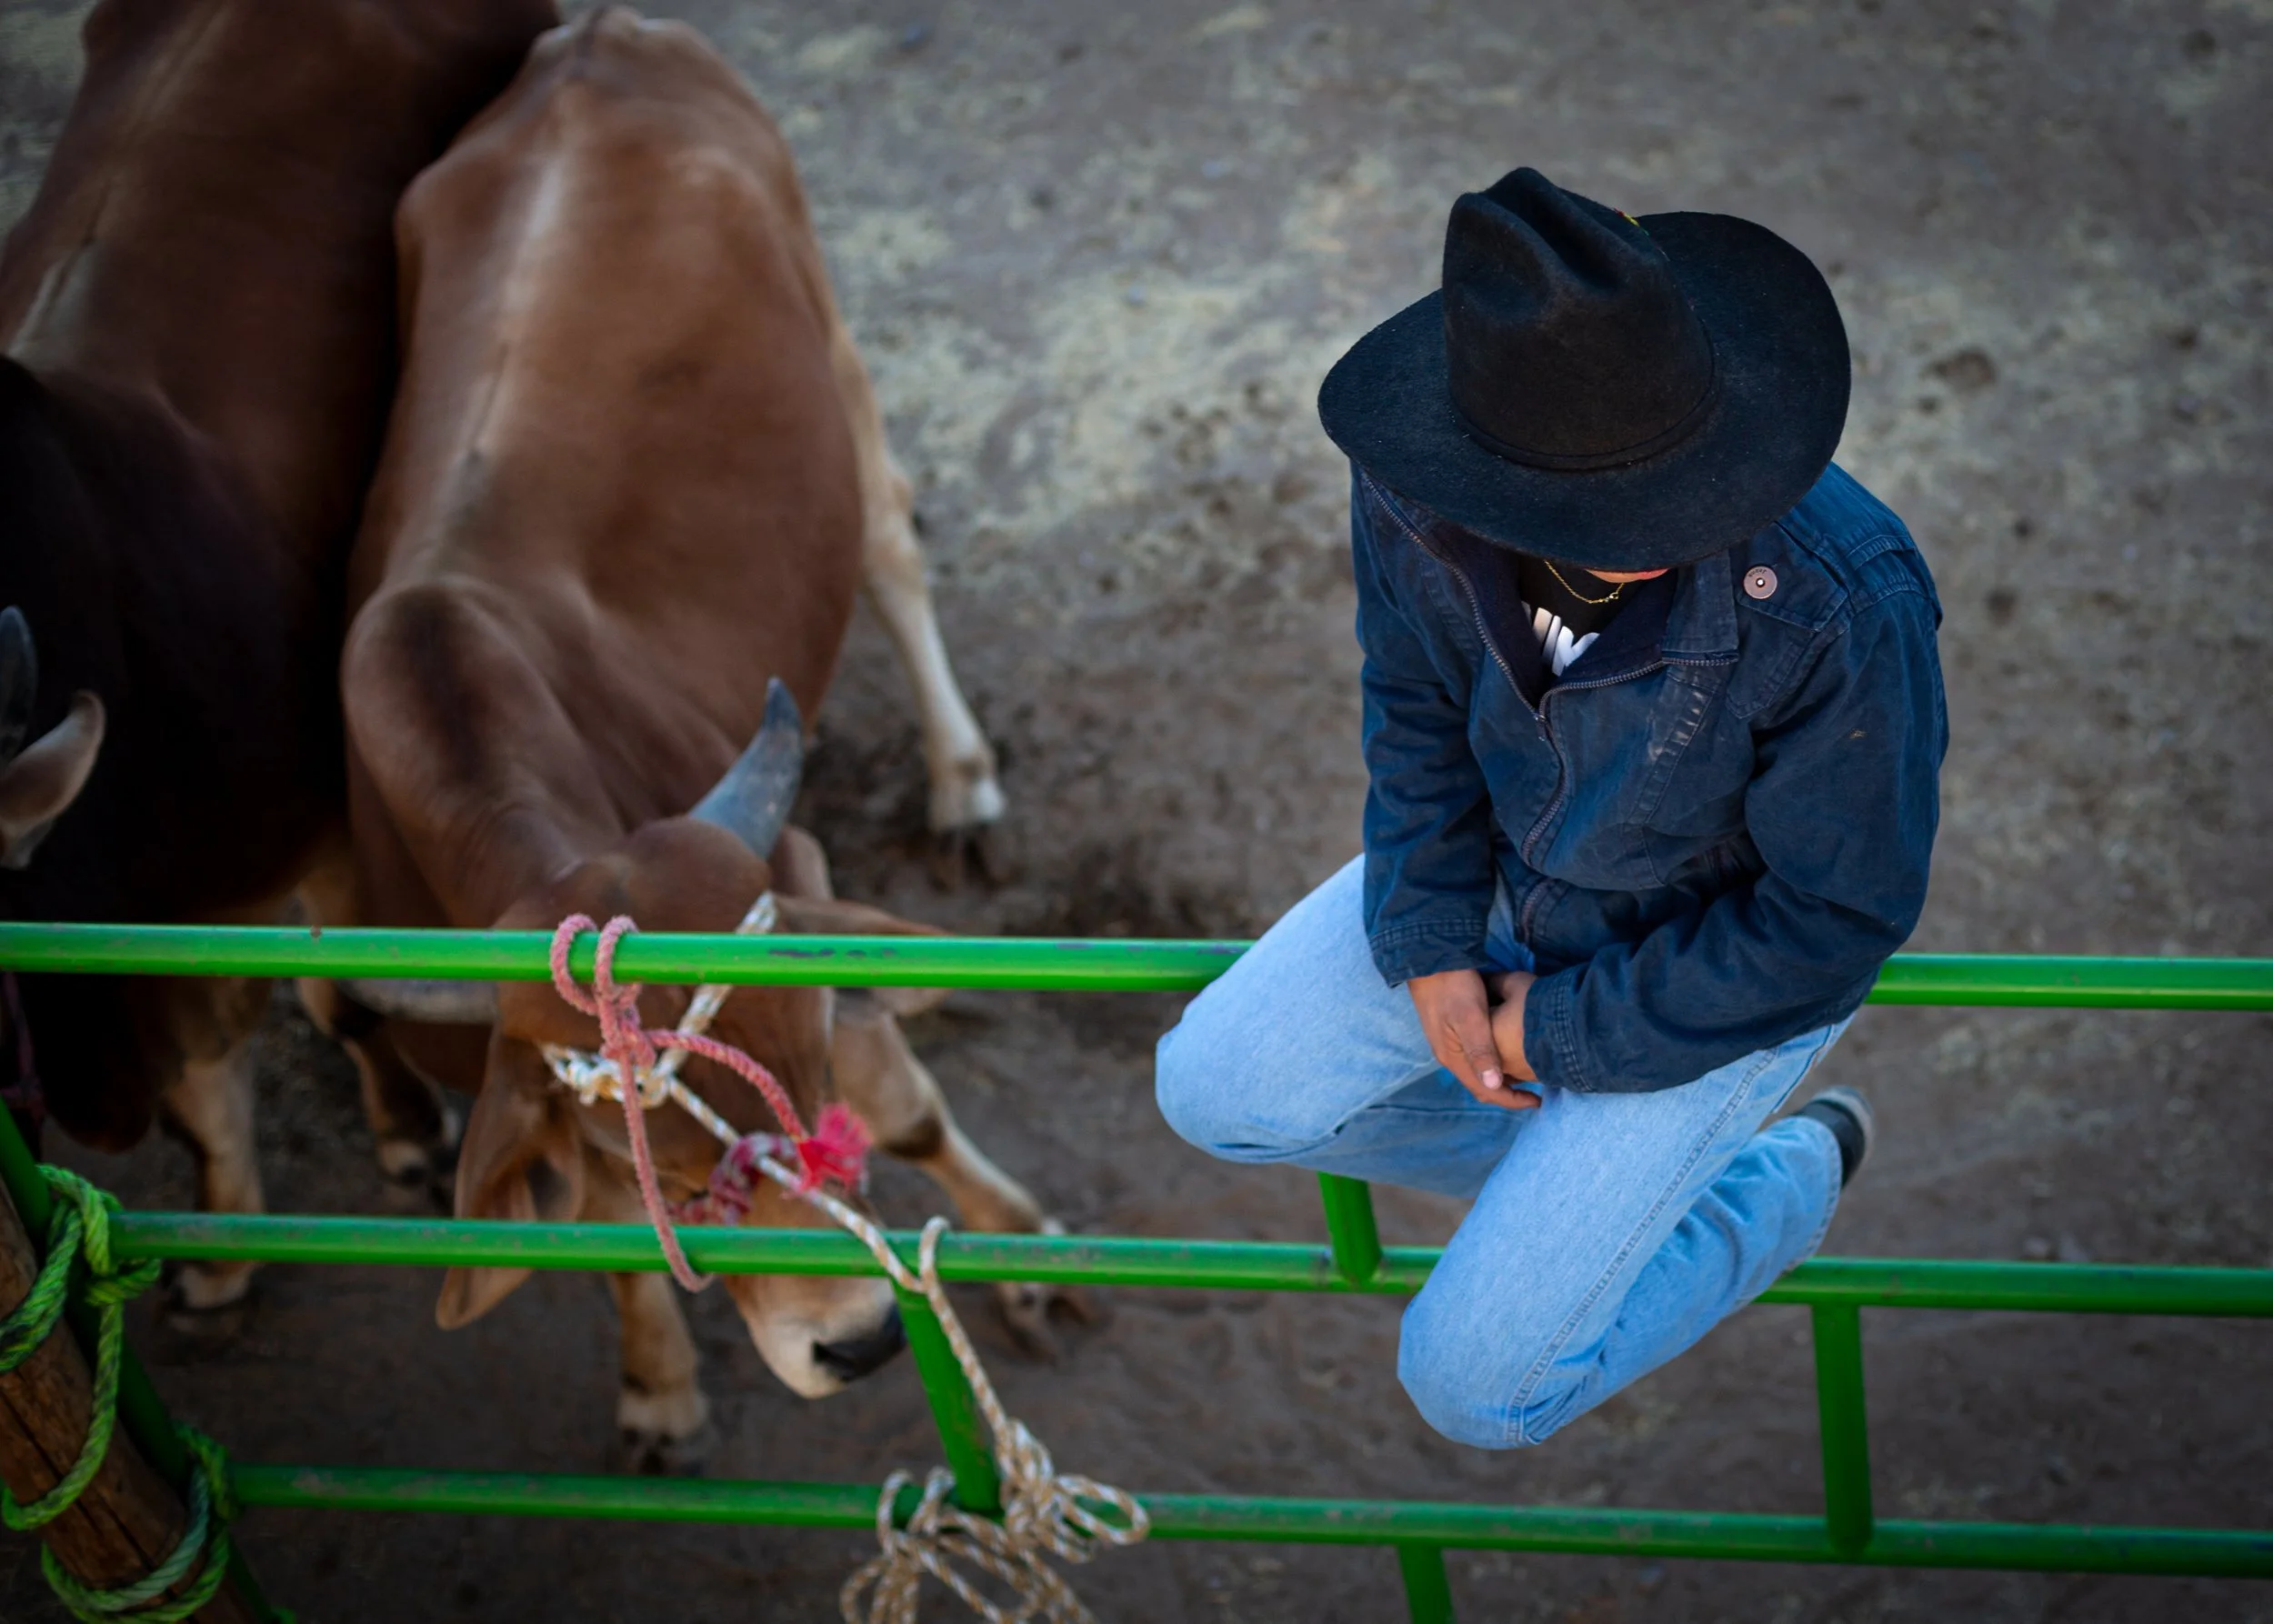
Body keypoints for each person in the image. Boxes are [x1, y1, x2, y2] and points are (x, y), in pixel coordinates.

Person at [1155, 168, 1946, 1449]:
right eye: (1604, 496)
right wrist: (1426, 937)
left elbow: (1837, 915)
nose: (1667, 520)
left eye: (1679, 476)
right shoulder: (1412, 491)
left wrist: (1559, 1033)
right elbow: (1410, 699)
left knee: (1479, 1388)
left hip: (1715, 959)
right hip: (1510, 874)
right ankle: (1639, 1201)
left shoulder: (1843, 601)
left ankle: (1777, 1189)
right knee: (1212, 1087)